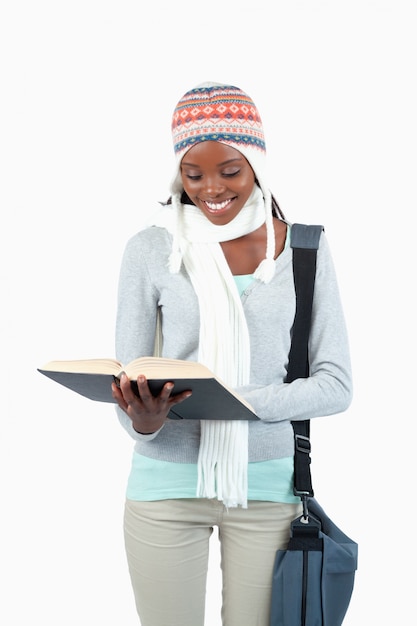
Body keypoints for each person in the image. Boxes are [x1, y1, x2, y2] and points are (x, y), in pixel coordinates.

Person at [111, 82, 352, 626]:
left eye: (230, 171)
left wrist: (231, 402)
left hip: (268, 487)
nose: (211, 189)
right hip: (165, 486)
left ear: (257, 166)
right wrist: (143, 422)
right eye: (193, 175)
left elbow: (336, 385)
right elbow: (129, 378)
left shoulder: (304, 249)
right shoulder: (150, 250)